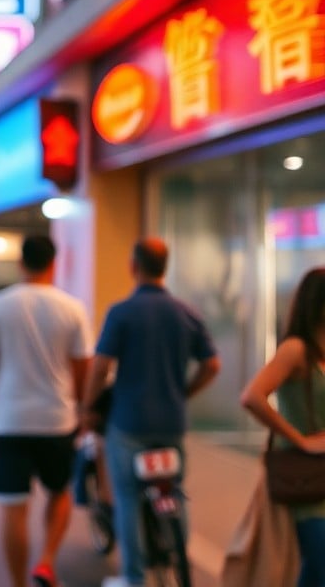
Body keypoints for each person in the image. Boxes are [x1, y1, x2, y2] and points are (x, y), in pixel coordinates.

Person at [83, 238, 221, 587]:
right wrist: (184, 392)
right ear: (165, 267)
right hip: (172, 424)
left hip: (129, 425)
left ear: (134, 266)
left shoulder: (122, 312)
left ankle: (133, 576)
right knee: (174, 489)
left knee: (128, 496)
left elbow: (100, 368)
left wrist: (87, 408)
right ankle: (179, 558)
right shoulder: (187, 312)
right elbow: (213, 365)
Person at [0, 236, 94, 587]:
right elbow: (83, 366)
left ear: (22, 264)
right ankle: (46, 561)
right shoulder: (73, 308)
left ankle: (18, 584)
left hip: (9, 423)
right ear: (54, 264)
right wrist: (82, 410)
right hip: (58, 421)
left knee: (14, 508)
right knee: (59, 492)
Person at [240, 267, 325, 587]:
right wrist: (299, 439)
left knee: (314, 574)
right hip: (309, 480)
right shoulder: (296, 350)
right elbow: (252, 396)